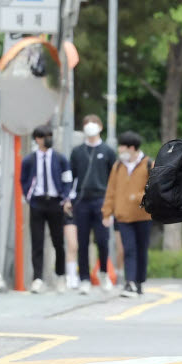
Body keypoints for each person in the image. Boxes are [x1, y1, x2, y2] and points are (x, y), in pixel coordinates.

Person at [67, 115, 117, 294]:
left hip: (101, 201)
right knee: (82, 241)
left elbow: (114, 179)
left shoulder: (108, 151)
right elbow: (70, 176)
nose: (90, 126)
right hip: (81, 201)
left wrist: (112, 205)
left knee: (103, 240)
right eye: (87, 123)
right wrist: (68, 198)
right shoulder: (77, 151)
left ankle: (104, 273)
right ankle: (84, 279)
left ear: (101, 127)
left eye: (94, 123)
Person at [20, 125, 72, 293]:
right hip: (37, 202)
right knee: (37, 241)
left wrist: (65, 198)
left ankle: (60, 276)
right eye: (44, 136)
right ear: (37, 139)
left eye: (50, 135)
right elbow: (23, 180)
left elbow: (67, 179)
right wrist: (29, 196)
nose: (47, 139)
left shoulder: (60, 159)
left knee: (58, 241)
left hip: (56, 202)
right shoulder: (29, 160)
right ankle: (37, 278)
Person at [101, 131, 152, 298]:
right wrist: (106, 213)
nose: (119, 149)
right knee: (128, 249)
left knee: (141, 249)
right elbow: (111, 190)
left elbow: (155, 189)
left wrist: (137, 197)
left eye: (122, 146)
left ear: (131, 148)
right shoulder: (118, 166)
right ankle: (129, 283)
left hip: (143, 216)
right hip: (123, 216)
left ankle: (139, 283)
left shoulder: (148, 164)